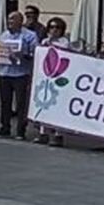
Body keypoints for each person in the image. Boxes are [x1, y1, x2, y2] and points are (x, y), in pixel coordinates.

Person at [0, 10, 39, 140]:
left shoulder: (30, 35)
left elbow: (36, 54)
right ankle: (4, 127)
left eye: (13, 19)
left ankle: (20, 130)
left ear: (20, 21)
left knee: (21, 104)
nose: (10, 22)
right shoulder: (3, 35)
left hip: (21, 73)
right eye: (9, 19)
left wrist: (23, 55)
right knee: (5, 102)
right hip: (4, 72)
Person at [36, 17, 72, 146]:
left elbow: (64, 53)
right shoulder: (45, 41)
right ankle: (43, 132)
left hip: (59, 75)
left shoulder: (65, 42)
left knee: (58, 107)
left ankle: (58, 134)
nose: (54, 30)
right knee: (44, 104)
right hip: (46, 76)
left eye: (57, 27)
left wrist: (51, 44)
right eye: (51, 27)